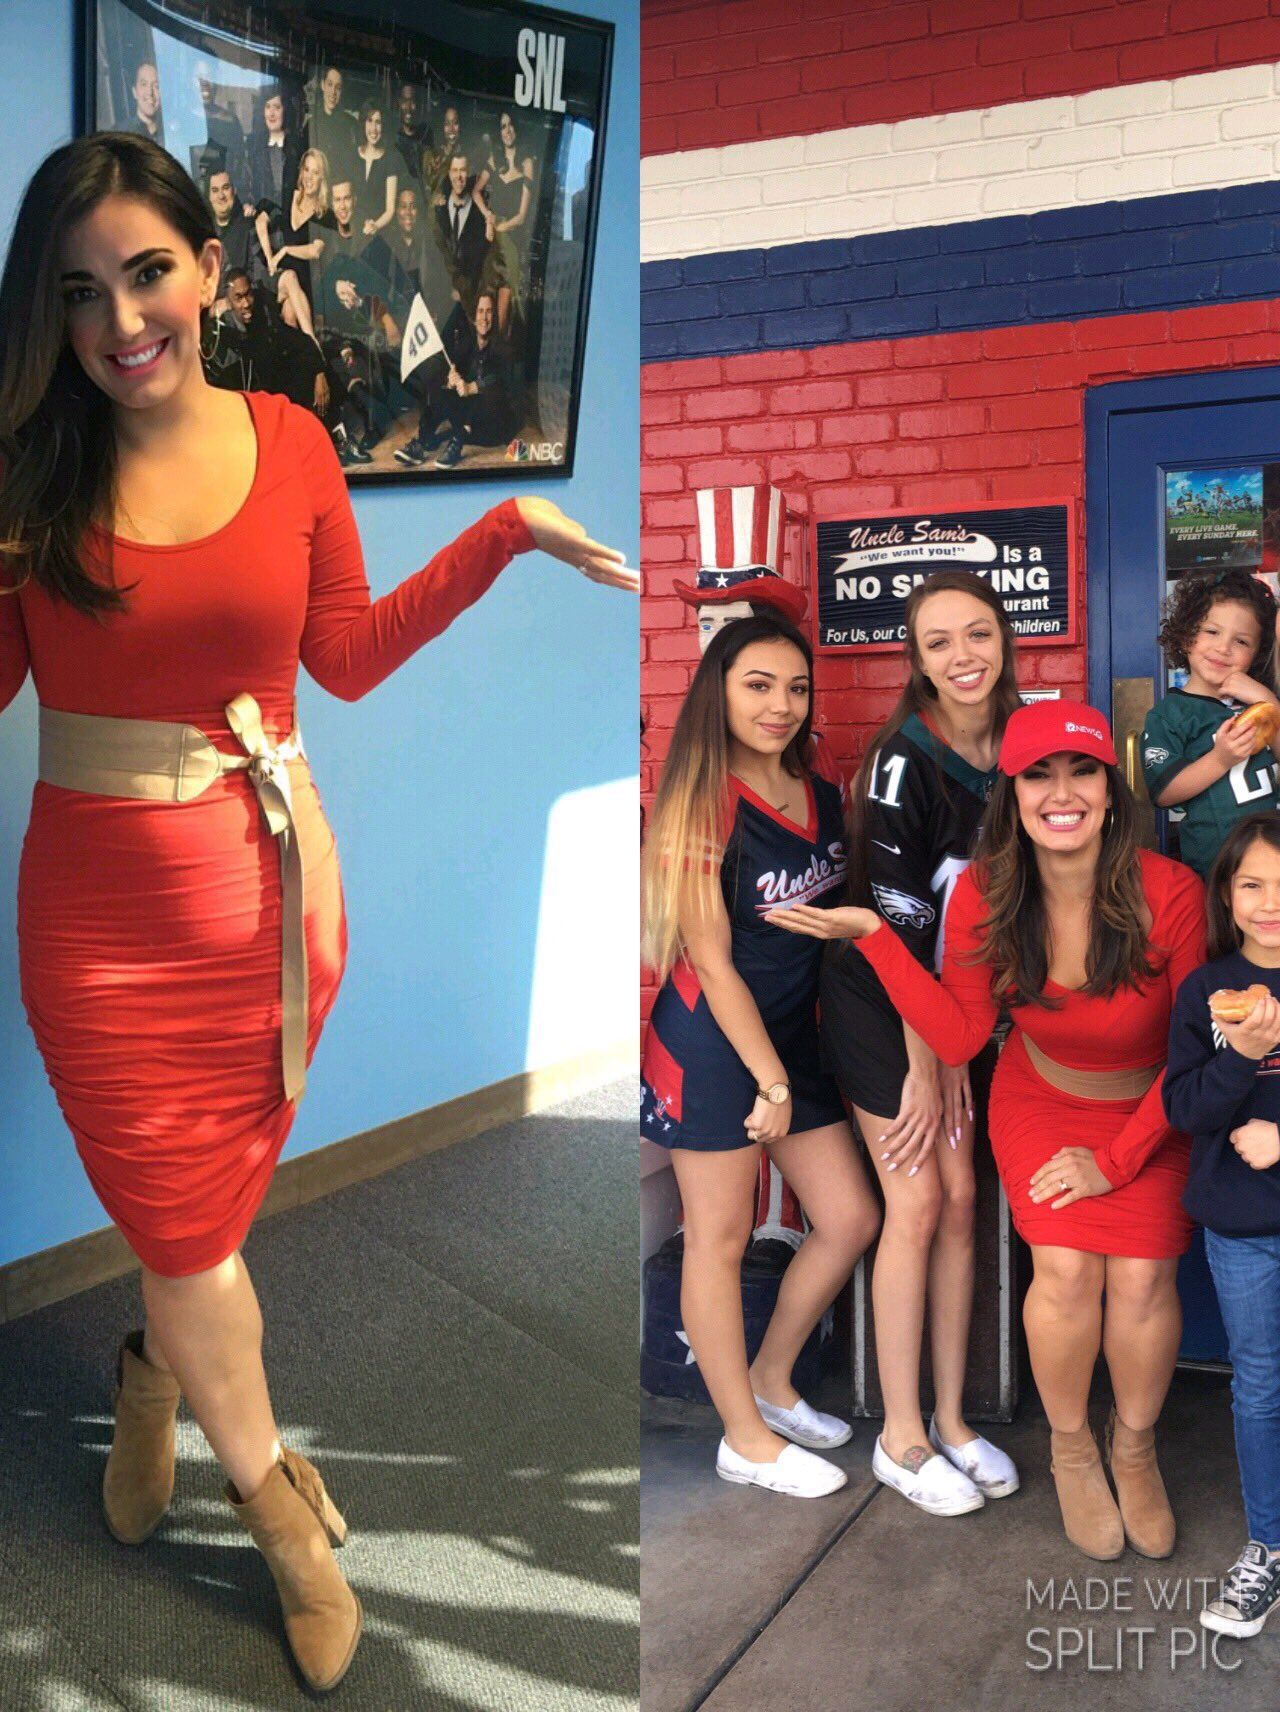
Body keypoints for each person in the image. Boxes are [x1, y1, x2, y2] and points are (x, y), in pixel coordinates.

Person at [0, 132, 634, 1692]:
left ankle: (156, 1377)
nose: (121, 318)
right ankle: (280, 1506)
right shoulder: (29, 469)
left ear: (213, 268)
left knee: (191, 1235)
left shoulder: (289, 441)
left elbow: (340, 658)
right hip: (96, 929)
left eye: (149, 271)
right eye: (80, 292)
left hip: (272, 911)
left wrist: (503, 537)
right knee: (190, 1230)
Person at [772, 701, 1206, 1559]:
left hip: (1153, 1108)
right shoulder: (986, 891)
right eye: (1036, 776)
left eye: (1080, 772)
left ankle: (1135, 1446)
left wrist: (1116, 1161)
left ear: (1112, 793)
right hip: (1042, 1098)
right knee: (1069, 1269)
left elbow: (1193, 1058)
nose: (1061, 792)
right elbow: (966, 1037)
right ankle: (1075, 1448)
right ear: (1011, 798)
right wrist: (877, 940)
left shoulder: (1172, 892)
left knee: (1147, 1280)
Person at [639, 614, 880, 1499]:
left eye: (796, 687)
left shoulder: (820, 793)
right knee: (720, 1238)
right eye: (758, 685)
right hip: (713, 1042)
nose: (781, 705)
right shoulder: (701, 802)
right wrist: (768, 1080)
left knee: (850, 1217)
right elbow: (708, 958)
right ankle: (741, 1437)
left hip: (789, 1039)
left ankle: (773, 1383)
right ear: (719, 691)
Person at [817, 571, 1021, 1516]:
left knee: (965, 1193)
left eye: (977, 633)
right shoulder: (903, 759)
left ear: (1004, 638)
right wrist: (931, 1060)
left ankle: (950, 1418)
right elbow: (893, 926)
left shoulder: (1023, 749)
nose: (962, 656)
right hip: (884, 1004)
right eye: (938, 642)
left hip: (962, 1005)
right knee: (920, 1197)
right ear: (917, 660)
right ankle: (898, 1437)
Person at [1163, 813, 1280, 1638]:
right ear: (1228, 896)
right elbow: (1184, 1107)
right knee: (1261, 1385)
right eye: (1253, 884)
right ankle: (1270, 1546)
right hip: (1241, 1227)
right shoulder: (1208, 992)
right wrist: (1241, 1054)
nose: (1271, 902)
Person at [1141, 568, 1280, 878]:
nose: (1223, 647)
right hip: (1214, 864)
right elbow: (1164, 792)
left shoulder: (1261, 701)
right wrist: (1221, 759)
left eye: (1241, 641)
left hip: (1271, 860)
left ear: (1256, 654)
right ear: (1187, 634)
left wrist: (1269, 702)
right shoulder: (1170, 714)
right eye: (1212, 632)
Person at [394, 290, 516, 470]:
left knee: (482, 397)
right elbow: (452, 367)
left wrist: (472, 387)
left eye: (489, 311)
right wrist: (451, 378)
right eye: (480, 311)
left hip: (490, 424)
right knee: (440, 391)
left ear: (494, 316)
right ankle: (421, 444)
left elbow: (501, 381)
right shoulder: (467, 344)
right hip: (467, 419)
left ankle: (456, 444)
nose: (484, 318)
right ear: (474, 318)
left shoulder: (502, 348)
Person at [255, 145, 332, 342]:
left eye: (315, 172)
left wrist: (286, 250)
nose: (309, 177)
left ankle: (306, 362)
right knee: (289, 284)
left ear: (322, 178)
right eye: (306, 170)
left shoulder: (323, 213)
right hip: (279, 277)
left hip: (305, 282)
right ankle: (314, 348)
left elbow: (315, 251)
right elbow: (261, 220)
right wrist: (271, 258)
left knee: (290, 314)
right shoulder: (288, 195)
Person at [472, 111, 534, 336]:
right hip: (492, 242)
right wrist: (488, 215)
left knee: (502, 319)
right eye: (502, 126)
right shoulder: (494, 160)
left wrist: (501, 226)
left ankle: (500, 357)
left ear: (516, 128)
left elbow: (522, 216)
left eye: (510, 125)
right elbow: (476, 192)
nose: (506, 131)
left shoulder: (527, 163)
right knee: (485, 311)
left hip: (512, 245)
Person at [205, 168, 265, 305]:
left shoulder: (247, 225)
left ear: (234, 190)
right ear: (209, 196)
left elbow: (258, 272)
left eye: (225, 188)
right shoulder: (203, 233)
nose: (221, 196)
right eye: (215, 190)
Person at [308, 65, 357, 193]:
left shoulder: (351, 124)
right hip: (316, 191)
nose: (333, 92)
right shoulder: (312, 123)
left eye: (338, 87)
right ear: (322, 85)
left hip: (339, 194)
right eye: (330, 84)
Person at [354, 100, 397, 238]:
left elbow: (390, 210)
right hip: (353, 230)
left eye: (378, 122)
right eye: (369, 120)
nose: (373, 128)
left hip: (379, 233)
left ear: (383, 126)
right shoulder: (353, 155)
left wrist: (375, 226)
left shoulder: (390, 159)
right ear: (363, 123)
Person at [122, 60, 163, 145]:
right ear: (134, 92)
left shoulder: (170, 132)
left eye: (156, 86)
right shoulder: (121, 134)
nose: (150, 92)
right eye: (144, 84)